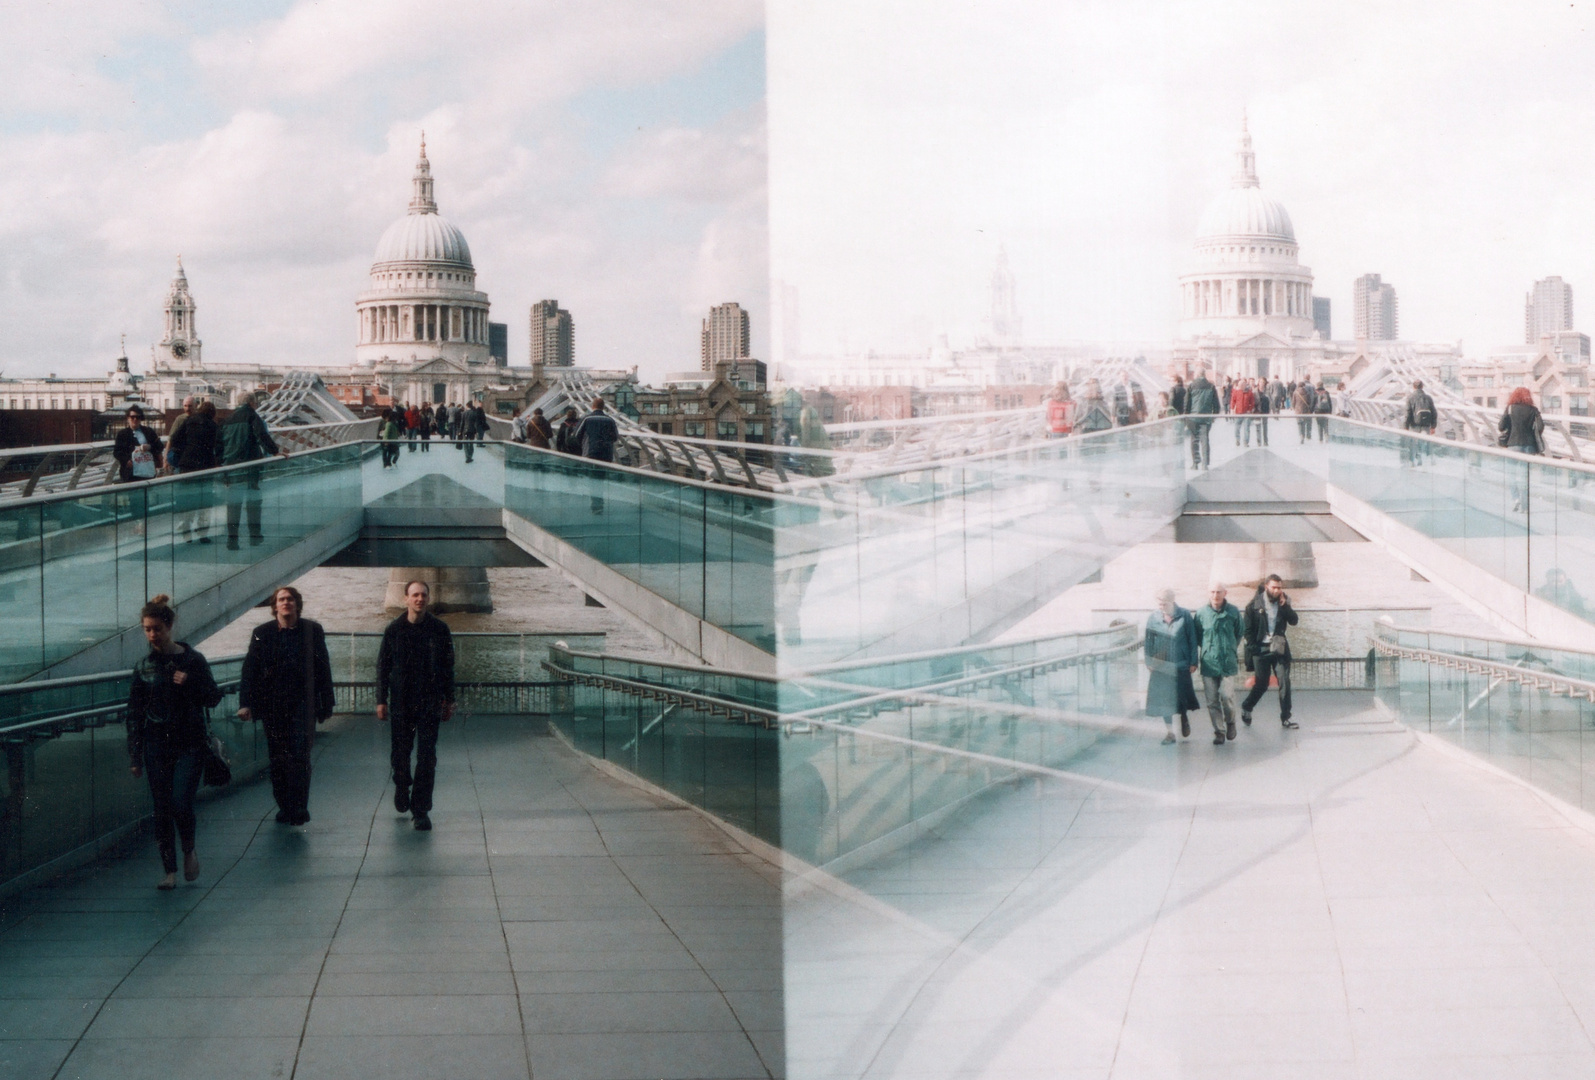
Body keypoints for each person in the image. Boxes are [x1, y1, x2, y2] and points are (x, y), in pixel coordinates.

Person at [126, 594, 222, 889]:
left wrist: (190, 682)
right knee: (162, 807)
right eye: (147, 629)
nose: (152, 635)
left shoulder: (192, 660)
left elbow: (213, 697)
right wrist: (135, 756)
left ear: (170, 627)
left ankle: (189, 849)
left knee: (180, 802)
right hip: (156, 745)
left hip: (189, 744)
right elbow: (134, 714)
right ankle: (169, 871)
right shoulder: (143, 667)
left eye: (157, 628)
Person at [239, 586, 335, 825]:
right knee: (278, 760)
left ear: (297, 604)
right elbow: (249, 670)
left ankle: (300, 808)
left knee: (300, 757)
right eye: (281, 599)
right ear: (275, 606)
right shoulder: (262, 632)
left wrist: (327, 703)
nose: (286, 603)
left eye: (290, 599)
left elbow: (323, 668)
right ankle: (284, 806)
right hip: (273, 706)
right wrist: (245, 703)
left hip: (303, 704)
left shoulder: (312, 630)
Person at [376, 580, 456, 831]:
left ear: (427, 599)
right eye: (415, 595)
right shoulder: (394, 629)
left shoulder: (440, 630)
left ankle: (421, 810)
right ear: (406, 599)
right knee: (400, 755)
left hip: (429, 702)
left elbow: (447, 667)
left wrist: (449, 699)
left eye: (423, 595)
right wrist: (381, 699)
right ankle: (401, 785)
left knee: (427, 757)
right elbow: (383, 667)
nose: (419, 599)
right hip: (401, 702)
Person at [219, 392, 287, 550]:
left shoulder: (227, 420)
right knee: (253, 502)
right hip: (250, 466)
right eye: (255, 403)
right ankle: (255, 536)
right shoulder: (252, 416)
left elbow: (218, 445)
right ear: (251, 403)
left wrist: (222, 466)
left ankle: (232, 540)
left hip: (231, 467)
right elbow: (261, 435)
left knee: (234, 504)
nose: (256, 406)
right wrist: (275, 451)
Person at [1241, 574, 1299, 729]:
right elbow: (1247, 630)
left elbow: (1294, 621)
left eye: (1279, 587)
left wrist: (1286, 605)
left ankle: (1286, 718)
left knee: (1284, 681)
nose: (1277, 590)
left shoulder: (1283, 602)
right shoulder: (1253, 605)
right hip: (1261, 650)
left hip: (1279, 649)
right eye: (1274, 587)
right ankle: (1247, 706)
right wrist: (1254, 649)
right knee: (1261, 684)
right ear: (1266, 586)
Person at [1145, 588, 1200, 745]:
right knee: (1163, 700)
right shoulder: (1153, 618)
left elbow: (1192, 639)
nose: (1162, 607)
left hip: (1181, 664)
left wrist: (1193, 662)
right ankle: (1170, 733)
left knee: (1181, 696)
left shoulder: (1185, 615)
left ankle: (1183, 717)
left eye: (1165, 604)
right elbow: (1148, 641)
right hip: (1161, 665)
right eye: (1160, 604)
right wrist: (1149, 661)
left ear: (1173, 601)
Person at [1193, 583, 1245, 745]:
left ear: (1225, 593)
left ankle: (1230, 722)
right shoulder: (1201, 613)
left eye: (1219, 592)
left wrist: (1229, 648)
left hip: (1227, 662)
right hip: (1209, 663)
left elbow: (1239, 633)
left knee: (1227, 696)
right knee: (1211, 700)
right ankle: (1219, 731)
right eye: (1213, 592)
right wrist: (1209, 649)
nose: (1215, 595)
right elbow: (1198, 636)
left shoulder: (1233, 611)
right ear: (1209, 594)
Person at [168, 399, 221, 543]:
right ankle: (203, 532)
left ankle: (186, 530)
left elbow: (175, 439)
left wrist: (185, 451)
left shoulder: (188, 421)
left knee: (188, 498)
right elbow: (218, 448)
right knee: (205, 501)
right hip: (205, 466)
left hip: (187, 465)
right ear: (212, 413)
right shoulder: (214, 426)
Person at [113, 404, 165, 483]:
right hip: (130, 474)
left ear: (141, 418)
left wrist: (149, 447)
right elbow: (116, 452)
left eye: (138, 417)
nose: (135, 419)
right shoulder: (122, 434)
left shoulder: (148, 431)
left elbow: (160, 446)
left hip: (147, 472)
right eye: (132, 417)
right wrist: (126, 461)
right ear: (128, 418)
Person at [1185, 368, 1220, 469]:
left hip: (1193, 417)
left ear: (1196, 375)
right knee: (1205, 440)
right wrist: (1214, 416)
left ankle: (1195, 463)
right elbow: (1216, 404)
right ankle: (1205, 463)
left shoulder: (1191, 386)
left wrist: (1186, 416)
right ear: (1204, 375)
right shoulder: (1211, 386)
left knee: (1194, 440)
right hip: (1206, 417)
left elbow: (1187, 403)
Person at [573, 397, 621, 462]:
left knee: (590, 471)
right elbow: (615, 437)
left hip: (590, 453)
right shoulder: (610, 420)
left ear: (593, 406)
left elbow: (576, 435)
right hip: (606, 454)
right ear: (603, 407)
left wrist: (583, 446)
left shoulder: (586, 419)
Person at [1499, 386, 1544, 455]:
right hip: (1530, 445)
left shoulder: (1510, 408)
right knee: (1528, 465)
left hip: (1513, 443)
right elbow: (1540, 427)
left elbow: (1501, 427)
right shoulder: (1533, 409)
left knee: (1514, 465)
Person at [1230, 379, 1255, 447]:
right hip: (1238, 412)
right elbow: (1233, 401)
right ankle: (1237, 439)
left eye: (1241, 385)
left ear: (1245, 385)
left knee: (1246, 428)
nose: (1239, 386)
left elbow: (1252, 402)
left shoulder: (1249, 392)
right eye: (1239, 385)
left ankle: (1246, 442)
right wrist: (1232, 409)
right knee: (1237, 427)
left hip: (1246, 413)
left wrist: (1249, 409)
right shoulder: (1236, 392)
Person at [1252, 378, 1271, 446]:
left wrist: (1271, 409)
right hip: (1257, 411)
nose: (1262, 383)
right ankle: (1259, 441)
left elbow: (1270, 400)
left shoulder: (1267, 391)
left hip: (1265, 410)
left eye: (1263, 382)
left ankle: (1265, 441)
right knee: (1258, 427)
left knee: (1265, 427)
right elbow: (1252, 401)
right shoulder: (1254, 391)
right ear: (1258, 383)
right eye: (1261, 382)